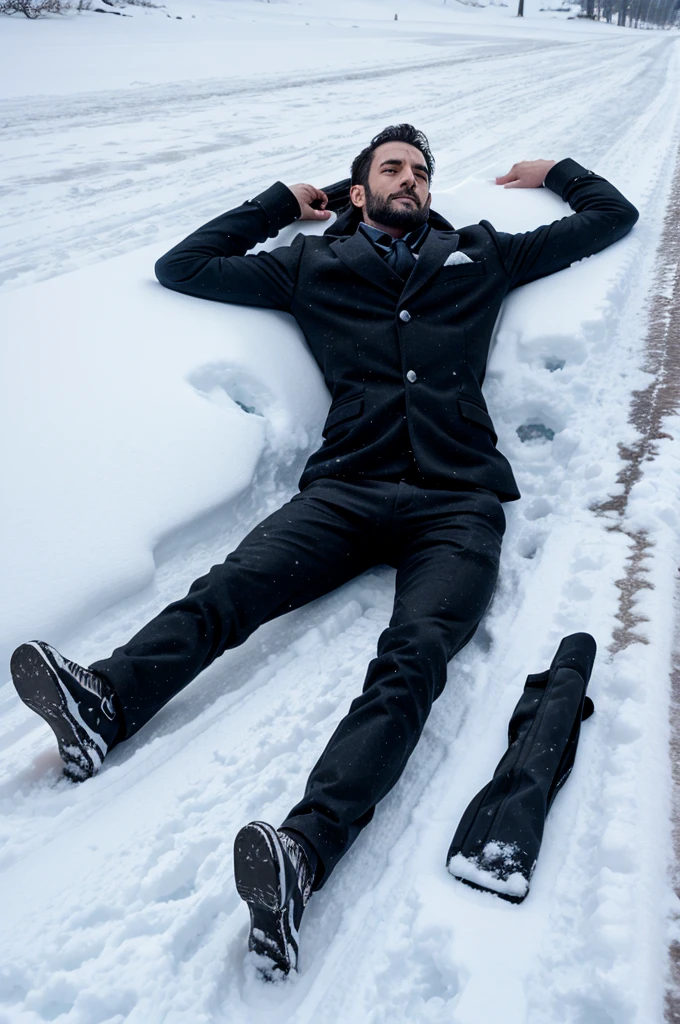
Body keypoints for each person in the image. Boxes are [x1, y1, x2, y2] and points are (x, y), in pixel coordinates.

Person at [10, 125, 638, 978]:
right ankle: (105, 706)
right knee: (231, 588)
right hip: (344, 491)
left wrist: (554, 171)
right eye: (392, 168)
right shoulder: (310, 264)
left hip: (458, 503)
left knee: (413, 655)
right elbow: (182, 266)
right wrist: (280, 202)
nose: (410, 180)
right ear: (357, 189)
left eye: (420, 170)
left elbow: (612, 214)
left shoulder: (480, 254)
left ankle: (304, 855)